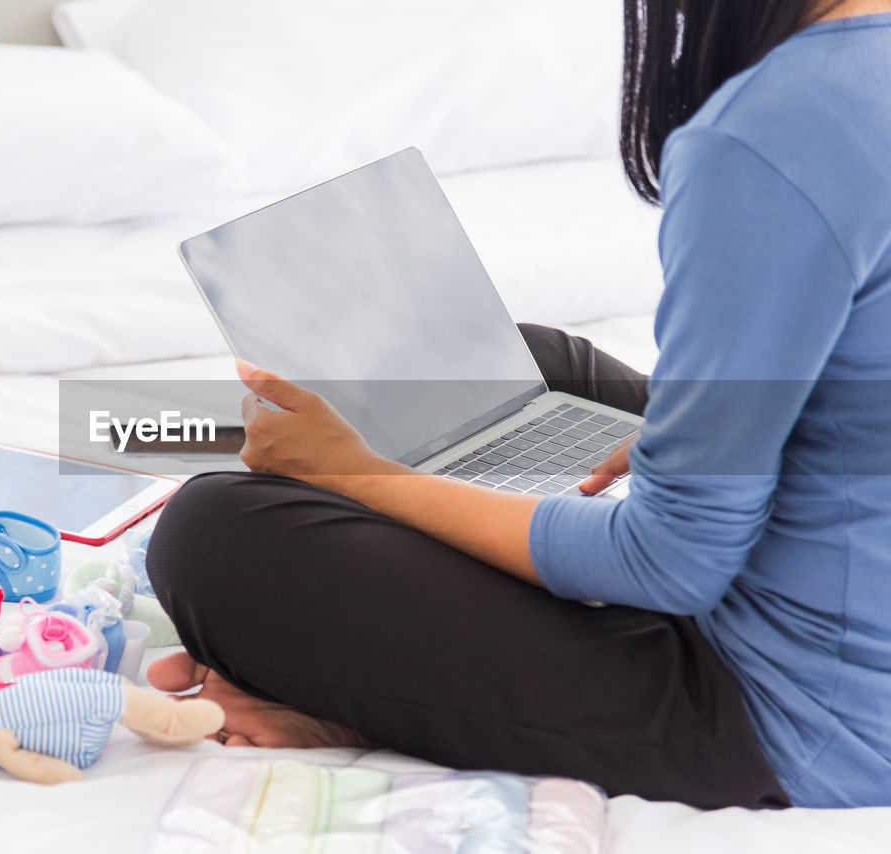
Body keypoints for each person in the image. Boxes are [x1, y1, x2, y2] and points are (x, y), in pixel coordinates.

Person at [145, 0, 891, 810]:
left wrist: (359, 478)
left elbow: (671, 561)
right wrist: (693, 441)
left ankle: (366, 699)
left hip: (818, 721)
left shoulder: (770, 132)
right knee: (537, 364)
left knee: (215, 533)